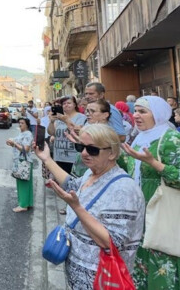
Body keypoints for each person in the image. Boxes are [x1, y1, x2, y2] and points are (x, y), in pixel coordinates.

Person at [34, 123, 145, 290]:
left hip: (101, 278)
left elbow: (111, 242)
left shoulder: (124, 190)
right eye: (81, 147)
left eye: (92, 150)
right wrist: (47, 159)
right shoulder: (91, 173)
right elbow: (72, 184)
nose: (84, 153)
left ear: (112, 153)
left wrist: (77, 208)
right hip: (79, 274)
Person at [120, 96, 180, 290]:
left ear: (158, 114)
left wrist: (154, 163)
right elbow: (131, 169)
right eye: (136, 111)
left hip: (165, 213)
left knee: (164, 259)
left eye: (143, 111)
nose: (136, 115)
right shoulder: (139, 138)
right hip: (142, 214)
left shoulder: (171, 138)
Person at [71, 99, 112, 177]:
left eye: (92, 111)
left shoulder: (108, 135)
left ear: (105, 115)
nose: (87, 114)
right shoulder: (88, 129)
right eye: (87, 111)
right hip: (80, 176)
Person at [47, 96, 86, 174]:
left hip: (74, 157)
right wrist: (51, 122)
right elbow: (51, 132)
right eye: (64, 103)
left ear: (75, 105)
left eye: (69, 103)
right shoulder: (58, 118)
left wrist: (65, 120)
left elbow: (78, 132)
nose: (66, 105)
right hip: (59, 156)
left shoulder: (82, 117)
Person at [6, 118, 35, 212]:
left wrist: (14, 143)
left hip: (24, 161)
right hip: (20, 160)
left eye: (22, 123)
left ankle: (23, 205)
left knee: (23, 183)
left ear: (27, 125)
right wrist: (11, 143)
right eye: (19, 123)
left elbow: (25, 149)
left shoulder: (28, 134)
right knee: (24, 182)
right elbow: (18, 144)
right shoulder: (22, 133)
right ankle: (27, 202)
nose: (20, 124)